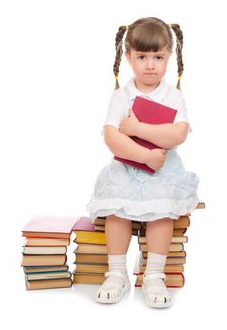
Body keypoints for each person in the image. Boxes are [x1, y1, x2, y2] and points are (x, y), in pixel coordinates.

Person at [86, 17, 199, 308]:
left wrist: (137, 130)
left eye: (158, 57)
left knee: (162, 213)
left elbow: (178, 133)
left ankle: (154, 275)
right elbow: (111, 136)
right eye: (142, 57)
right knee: (117, 212)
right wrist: (146, 155)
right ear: (128, 57)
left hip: (163, 172)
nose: (150, 65)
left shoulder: (173, 96)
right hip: (127, 168)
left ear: (169, 57)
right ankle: (117, 272)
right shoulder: (122, 96)